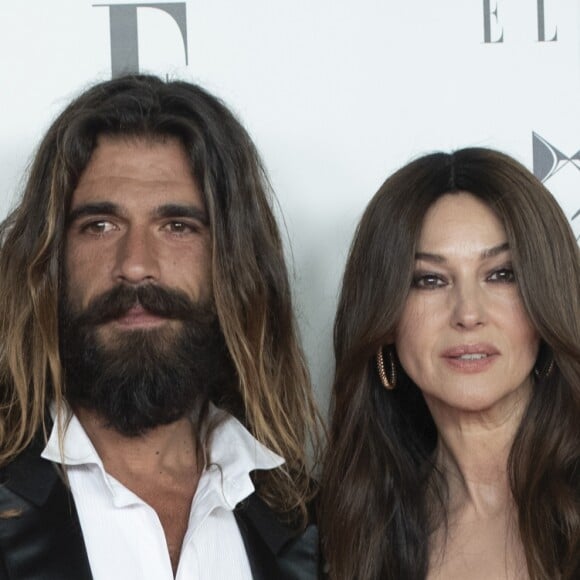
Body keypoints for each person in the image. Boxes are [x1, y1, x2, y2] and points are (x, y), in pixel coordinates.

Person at [0, 74, 321, 580]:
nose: (134, 265)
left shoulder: (308, 523)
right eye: (100, 225)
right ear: (51, 259)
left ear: (231, 260)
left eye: (177, 227)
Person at [321, 148, 580, 580]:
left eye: (501, 274)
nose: (468, 312)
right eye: (429, 280)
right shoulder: (354, 533)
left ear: (545, 300)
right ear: (385, 320)